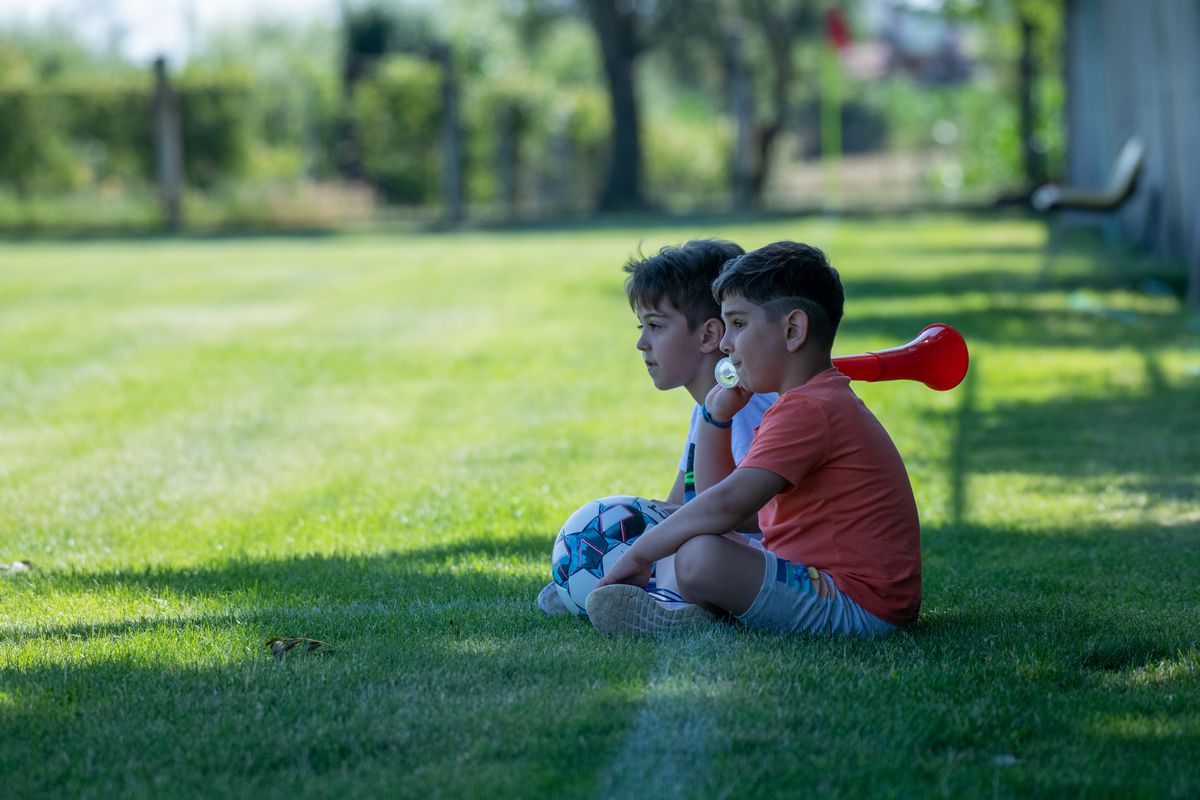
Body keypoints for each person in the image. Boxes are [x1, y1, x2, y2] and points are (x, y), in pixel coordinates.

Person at [586, 241, 921, 637]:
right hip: (835, 588)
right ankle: (664, 597)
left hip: (857, 604)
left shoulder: (808, 410)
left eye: (739, 325)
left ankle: (673, 602)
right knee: (697, 548)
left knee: (699, 556)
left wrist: (640, 555)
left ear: (793, 330)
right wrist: (714, 416)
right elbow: (717, 496)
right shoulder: (799, 404)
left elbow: (726, 506)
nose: (727, 344)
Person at [537, 239, 777, 615]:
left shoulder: (749, 407)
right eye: (641, 326)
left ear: (709, 336)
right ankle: (598, 583)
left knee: (690, 544)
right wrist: (621, 534)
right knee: (669, 530)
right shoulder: (708, 409)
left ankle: (669, 604)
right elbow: (678, 504)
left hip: (778, 561)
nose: (641, 343)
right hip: (734, 552)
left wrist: (667, 527)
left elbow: (761, 510)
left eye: (655, 326)